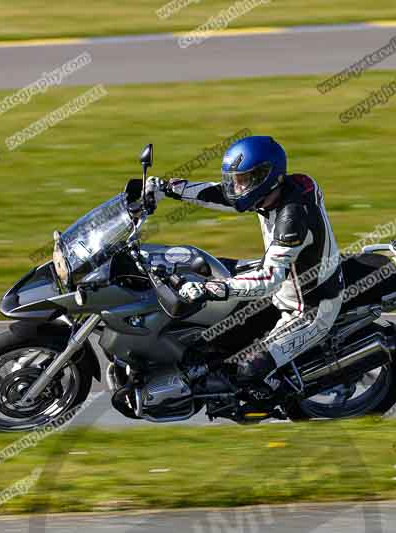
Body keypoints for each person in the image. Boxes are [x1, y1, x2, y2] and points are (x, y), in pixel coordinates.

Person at [146, 136, 343, 392]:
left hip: (308, 308)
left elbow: (268, 279)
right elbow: (220, 195)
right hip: (288, 277)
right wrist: (169, 189)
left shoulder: (291, 220)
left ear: (265, 177)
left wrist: (210, 289)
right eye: (234, 180)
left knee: (248, 373)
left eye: (242, 181)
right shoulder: (280, 190)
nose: (236, 189)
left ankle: (282, 397)